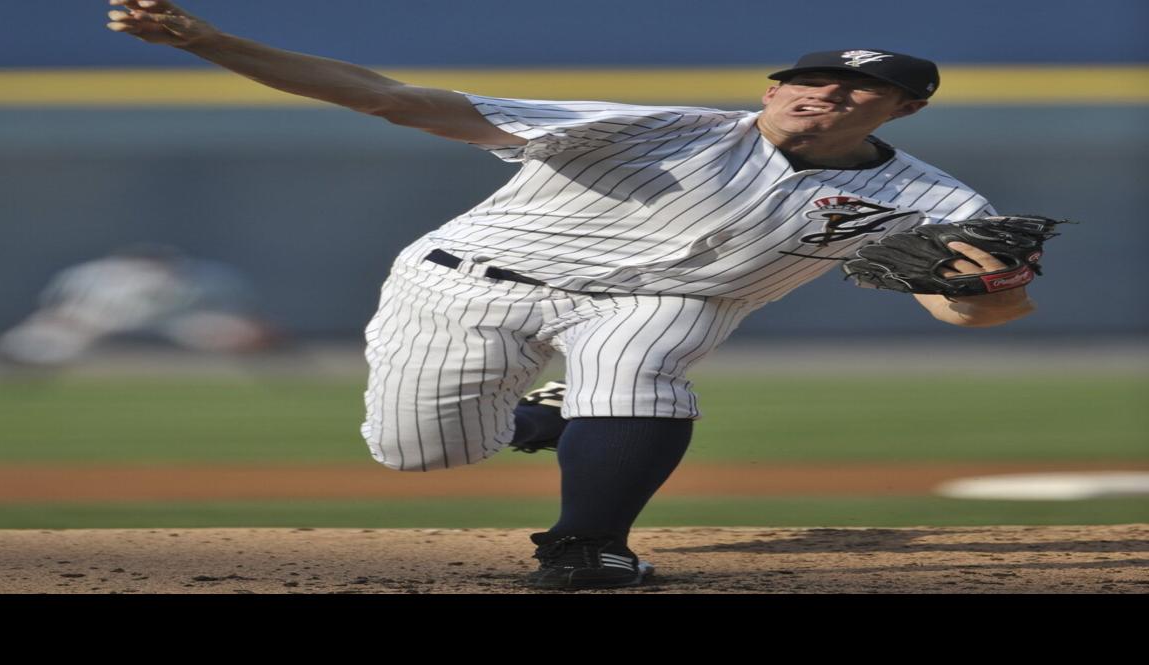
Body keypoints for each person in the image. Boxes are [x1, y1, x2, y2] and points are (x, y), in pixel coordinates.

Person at [108, 2, 1038, 589]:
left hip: (675, 298)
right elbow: (389, 98)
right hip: (470, 282)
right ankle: (552, 416)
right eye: (810, 77)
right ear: (774, 84)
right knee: (416, 453)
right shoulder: (647, 130)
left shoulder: (935, 201)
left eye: (858, 88)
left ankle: (587, 546)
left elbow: (962, 308)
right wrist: (210, 39)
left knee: (644, 360)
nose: (824, 93)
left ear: (904, 109)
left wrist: (990, 295)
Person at [0, 244, 280, 365]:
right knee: (44, 338)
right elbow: (59, 310)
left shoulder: (202, 276)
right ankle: (17, 370)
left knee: (245, 334)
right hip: (100, 320)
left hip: (180, 320)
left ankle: (282, 374)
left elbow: (242, 312)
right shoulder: (95, 276)